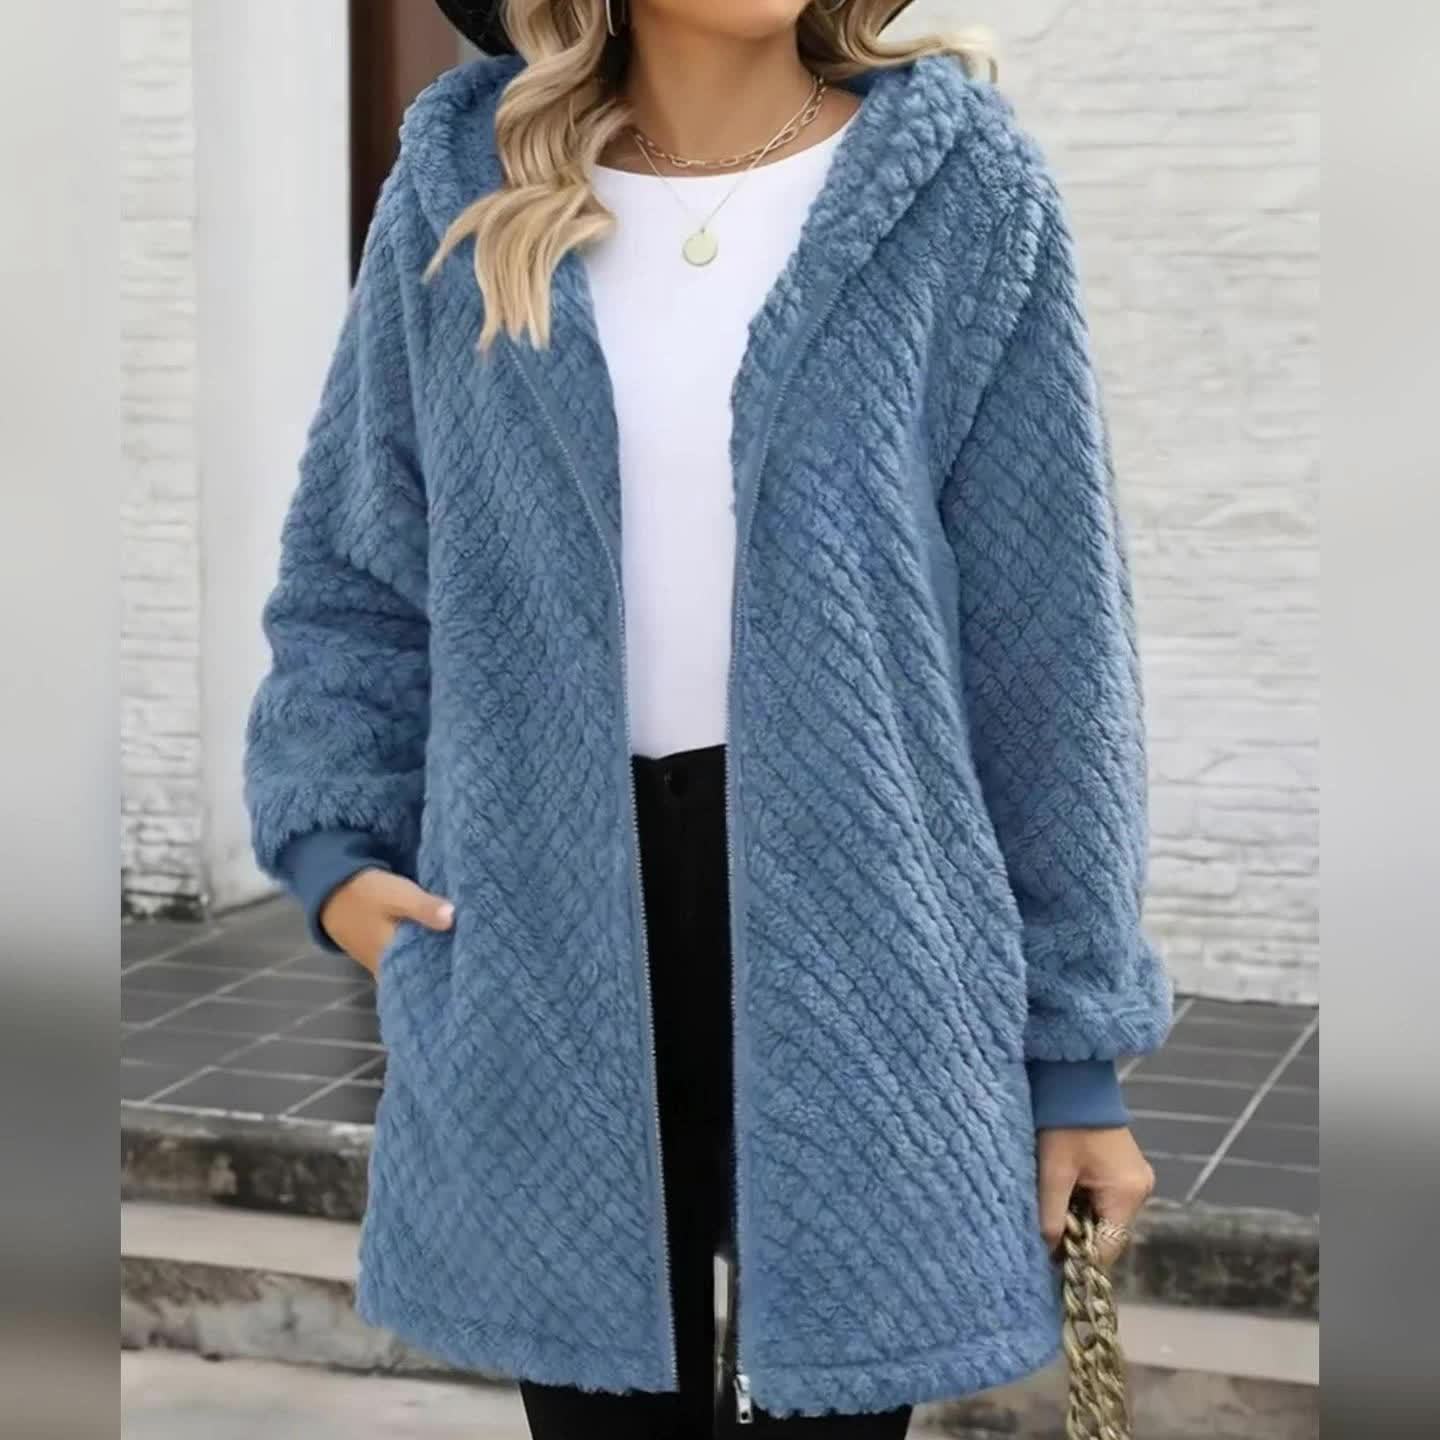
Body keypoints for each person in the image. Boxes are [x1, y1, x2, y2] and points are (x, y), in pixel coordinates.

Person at [242, 1, 1174, 1435]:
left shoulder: (961, 190)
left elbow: (1050, 649)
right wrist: (336, 861)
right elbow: (360, 571)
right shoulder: (464, 187)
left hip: (866, 916)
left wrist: (1075, 1060)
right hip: (541, 915)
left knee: (838, 1402)